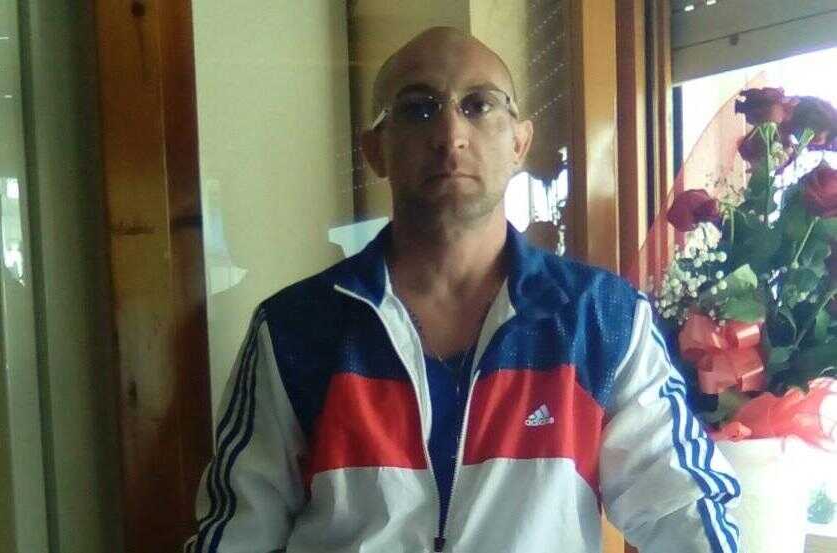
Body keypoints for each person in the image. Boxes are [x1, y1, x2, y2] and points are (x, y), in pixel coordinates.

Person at [185, 26, 741, 553]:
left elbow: (681, 507)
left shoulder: (602, 319)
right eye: (418, 108)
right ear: (375, 149)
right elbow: (237, 535)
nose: (450, 135)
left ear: (519, 141)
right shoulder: (294, 329)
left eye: (479, 105)